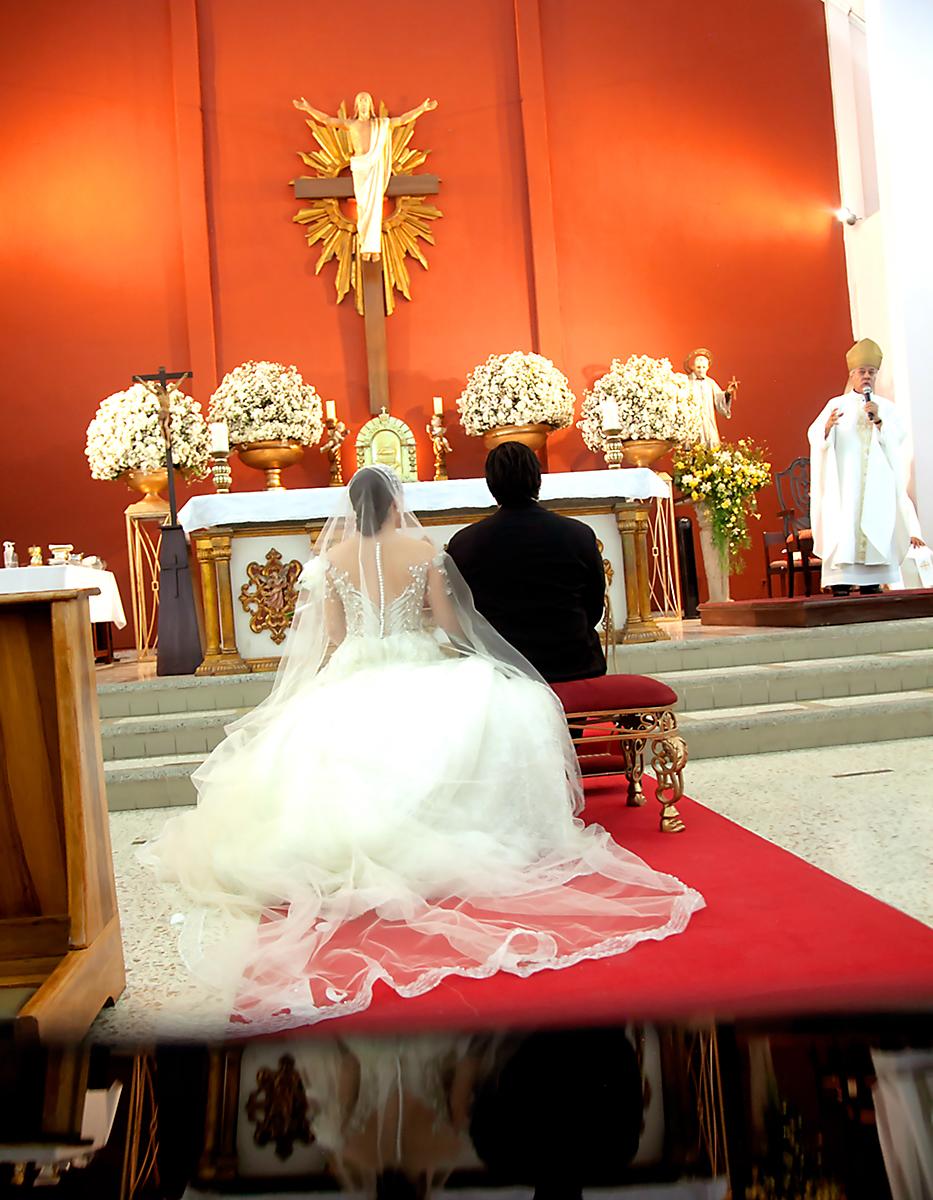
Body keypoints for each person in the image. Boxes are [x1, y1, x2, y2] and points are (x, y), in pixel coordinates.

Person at [139, 465, 703, 1031]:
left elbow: (333, 638)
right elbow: (453, 623)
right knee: (503, 708)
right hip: (417, 659)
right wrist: (451, 648)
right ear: (393, 505)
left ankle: (362, 841)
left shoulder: (328, 563)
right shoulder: (424, 550)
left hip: (357, 667)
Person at [447, 442, 607, 683]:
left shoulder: (464, 543)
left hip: (501, 669)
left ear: (490, 484)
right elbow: (594, 605)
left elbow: (463, 613)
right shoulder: (578, 534)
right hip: (573, 664)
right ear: (537, 479)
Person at [807, 338, 925, 595]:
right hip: (846, 486)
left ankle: (873, 580)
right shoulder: (835, 405)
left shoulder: (887, 409)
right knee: (845, 525)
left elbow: (898, 440)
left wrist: (880, 421)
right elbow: (815, 436)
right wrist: (826, 429)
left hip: (875, 486)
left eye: (871, 372)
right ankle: (841, 582)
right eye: (862, 372)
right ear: (852, 375)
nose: (867, 377)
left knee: (876, 523)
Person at [293, 91, 437, 260]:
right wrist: (308, 108)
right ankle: (366, 247)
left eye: (366, 100)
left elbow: (403, 120)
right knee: (363, 207)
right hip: (360, 168)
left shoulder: (381, 125)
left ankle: (373, 249)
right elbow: (327, 120)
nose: (363, 103)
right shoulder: (351, 124)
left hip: (375, 166)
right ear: (356, 106)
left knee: (375, 207)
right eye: (360, 100)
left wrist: (422, 108)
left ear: (370, 105)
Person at [684, 347, 740, 449]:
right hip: (693, 421)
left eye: (704, 367)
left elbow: (719, 398)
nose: (701, 370)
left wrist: (727, 393)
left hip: (708, 419)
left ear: (708, 367)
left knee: (711, 444)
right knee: (694, 446)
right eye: (698, 367)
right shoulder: (687, 382)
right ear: (693, 367)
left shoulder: (710, 383)